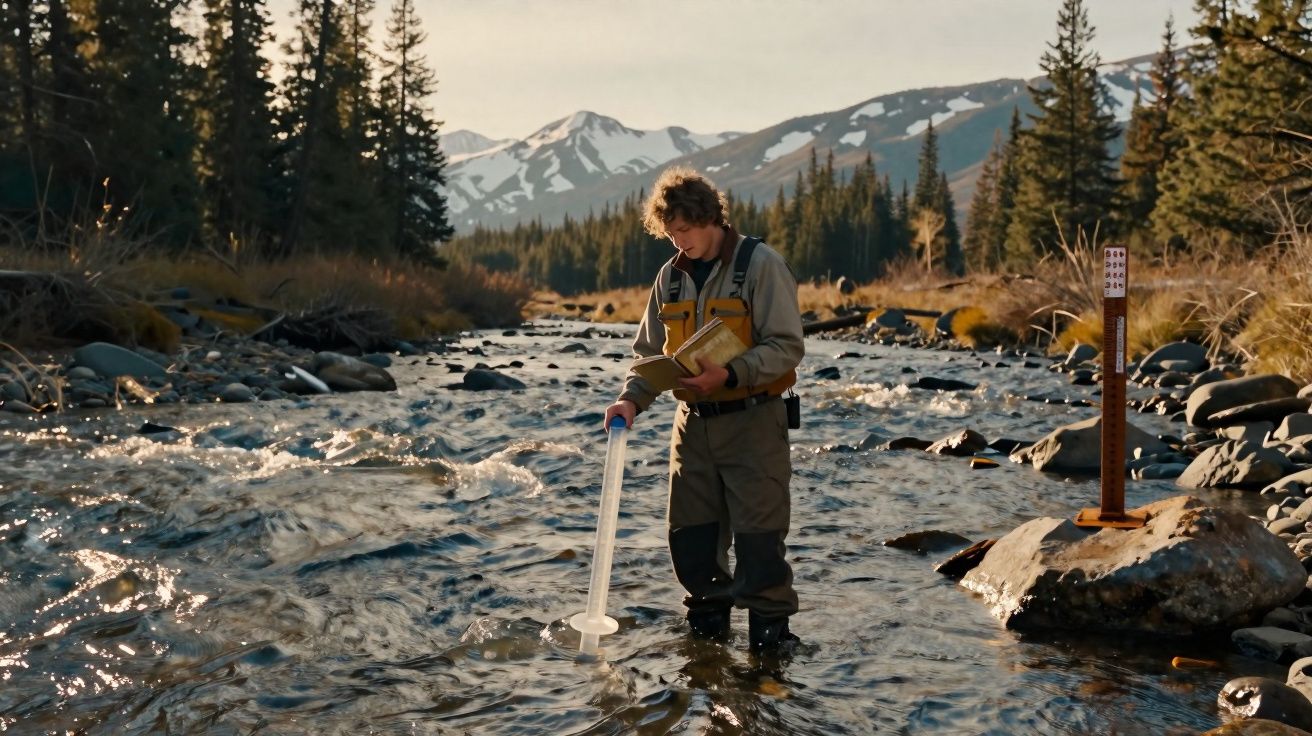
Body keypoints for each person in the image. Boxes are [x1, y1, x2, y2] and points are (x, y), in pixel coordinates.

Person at [602, 166, 805, 651]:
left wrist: (729, 374)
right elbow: (647, 355)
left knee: (760, 549)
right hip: (691, 430)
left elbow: (787, 346)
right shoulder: (669, 278)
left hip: (754, 422)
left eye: (685, 230)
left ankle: (770, 658)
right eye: (670, 232)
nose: (677, 240)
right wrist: (630, 400)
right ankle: (707, 660)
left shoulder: (761, 265)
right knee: (691, 548)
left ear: (710, 218)